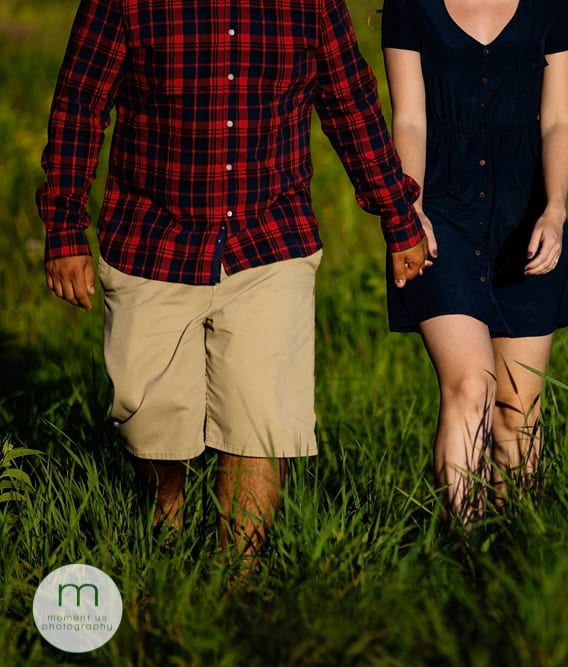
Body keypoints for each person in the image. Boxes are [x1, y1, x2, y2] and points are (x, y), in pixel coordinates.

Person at [37, 0, 429, 556]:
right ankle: (166, 530)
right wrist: (64, 227)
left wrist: (396, 213)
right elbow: (80, 103)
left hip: (271, 237)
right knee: (150, 425)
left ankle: (238, 580)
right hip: (152, 236)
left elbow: (350, 103)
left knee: (259, 420)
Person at [380, 0, 568, 520]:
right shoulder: (409, 6)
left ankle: (512, 550)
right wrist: (411, 208)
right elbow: (409, 120)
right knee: (471, 385)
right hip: (440, 215)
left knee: (517, 410)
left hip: (527, 216)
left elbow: (559, 120)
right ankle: (463, 547)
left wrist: (555, 210)